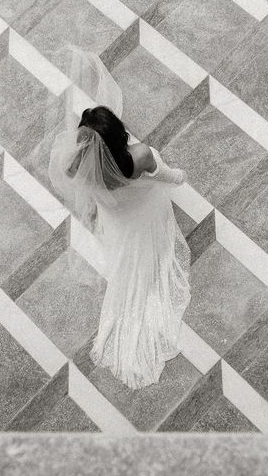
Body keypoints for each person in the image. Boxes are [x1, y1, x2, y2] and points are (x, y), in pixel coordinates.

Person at [48, 47, 191, 390]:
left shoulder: (77, 164)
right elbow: (166, 175)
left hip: (115, 217)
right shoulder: (139, 156)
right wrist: (179, 177)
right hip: (144, 212)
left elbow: (70, 176)